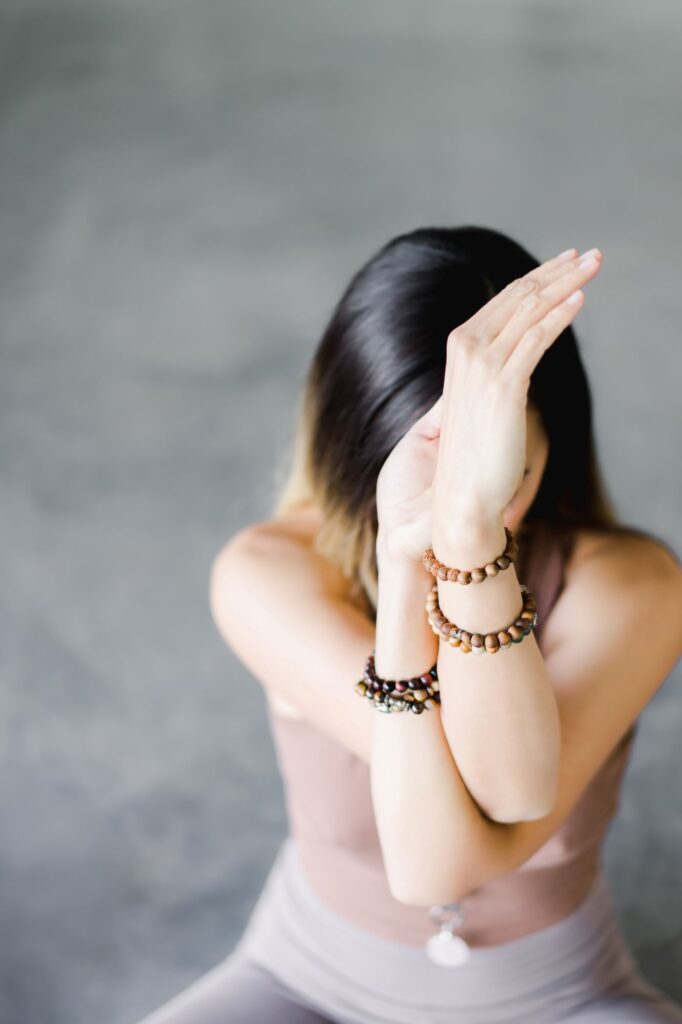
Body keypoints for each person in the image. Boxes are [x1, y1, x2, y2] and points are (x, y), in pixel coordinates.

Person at [137, 227, 682, 1023]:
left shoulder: (632, 584)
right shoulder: (266, 573)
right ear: (352, 451)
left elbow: (509, 787)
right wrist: (403, 566)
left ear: (548, 449)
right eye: (420, 466)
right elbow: (437, 864)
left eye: (502, 471)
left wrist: (468, 534)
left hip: (563, 997)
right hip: (304, 982)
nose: (460, 495)